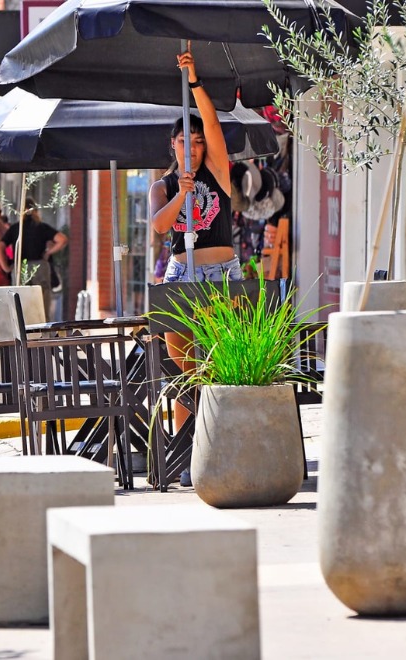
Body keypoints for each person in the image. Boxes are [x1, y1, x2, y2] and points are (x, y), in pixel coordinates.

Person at [149, 44, 241, 487]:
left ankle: (226, 443)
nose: (195, 145)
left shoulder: (219, 170)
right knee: (182, 364)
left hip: (221, 272)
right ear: (173, 143)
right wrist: (182, 193)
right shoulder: (162, 185)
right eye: (187, 140)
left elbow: (215, 125)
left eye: (199, 139)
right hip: (181, 272)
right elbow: (158, 228)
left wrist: (194, 81)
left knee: (225, 358)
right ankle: (187, 453)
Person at [0, 199, 68, 318]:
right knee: (42, 305)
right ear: (35, 210)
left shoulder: (15, 229)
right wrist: (48, 252)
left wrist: (6, 267)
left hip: (20, 267)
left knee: (20, 305)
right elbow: (62, 239)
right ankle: (44, 333)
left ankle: (23, 333)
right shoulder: (42, 227)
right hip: (39, 266)